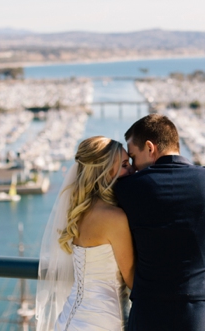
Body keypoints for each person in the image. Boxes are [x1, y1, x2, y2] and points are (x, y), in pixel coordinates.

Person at [114, 114, 205, 331]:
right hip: (201, 318)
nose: (134, 167)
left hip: (147, 317)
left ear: (150, 147)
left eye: (133, 157)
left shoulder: (125, 190)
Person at [36, 136, 135, 331]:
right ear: (105, 172)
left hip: (68, 319)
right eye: (124, 164)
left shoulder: (78, 211)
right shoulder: (114, 218)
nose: (132, 169)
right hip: (103, 322)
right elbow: (133, 279)